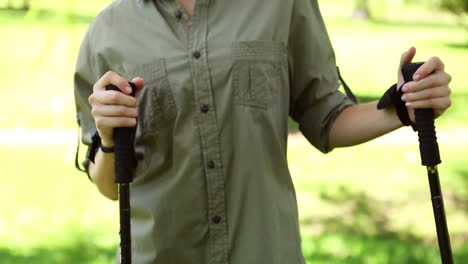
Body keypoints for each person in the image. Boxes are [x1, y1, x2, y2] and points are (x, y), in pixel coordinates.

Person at [74, 0, 452, 263]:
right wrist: (109, 139)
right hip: (158, 255)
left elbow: (324, 115)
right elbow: (110, 185)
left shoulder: (280, 5)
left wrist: (403, 108)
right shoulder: (108, 32)